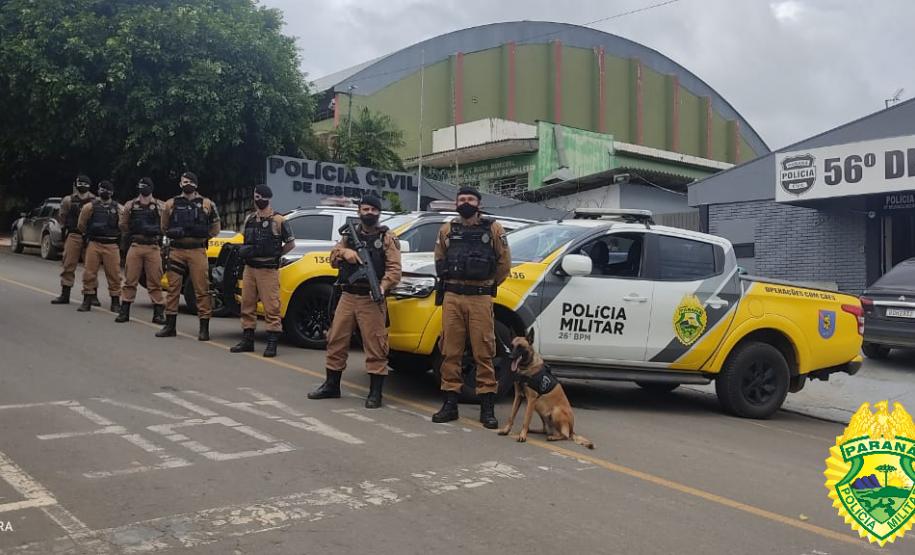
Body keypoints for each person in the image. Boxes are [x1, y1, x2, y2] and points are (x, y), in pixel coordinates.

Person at [307, 194, 401, 408]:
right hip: (348, 295)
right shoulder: (349, 236)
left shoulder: (387, 238)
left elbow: (395, 271)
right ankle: (332, 385)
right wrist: (345, 252)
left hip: (371, 298)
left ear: (379, 212)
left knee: (376, 345)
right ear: (359, 211)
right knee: (335, 339)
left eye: (373, 210)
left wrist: (382, 286)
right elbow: (332, 260)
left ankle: (375, 393)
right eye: (365, 209)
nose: (369, 213)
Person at [431, 186, 511, 428]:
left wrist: (486, 285)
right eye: (462, 199)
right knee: (450, 351)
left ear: (479, 203)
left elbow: (504, 264)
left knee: (483, 352)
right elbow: (439, 259)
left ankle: (487, 407)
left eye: (470, 199)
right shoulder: (447, 229)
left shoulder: (493, 228)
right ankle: (450, 404)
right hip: (453, 297)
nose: (465, 202)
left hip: (480, 298)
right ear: (456, 203)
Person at [230, 184, 295, 357]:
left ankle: (272, 342)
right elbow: (245, 240)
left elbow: (290, 244)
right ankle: (247, 340)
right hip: (250, 268)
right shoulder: (250, 219)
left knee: (271, 306)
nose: (258, 200)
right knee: (247, 303)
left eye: (261, 197)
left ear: (268, 198)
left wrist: (276, 255)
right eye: (256, 196)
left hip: (268, 269)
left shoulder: (279, 220)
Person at [155, 172, 220, 340]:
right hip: (177, 250)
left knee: (202, 289)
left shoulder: (207, 204)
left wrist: (202, 236)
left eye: (190, 181)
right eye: (184, 181)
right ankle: (170, 326)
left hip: (197, 251)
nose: (187, 184)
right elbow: (164, 227)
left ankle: (204, 328)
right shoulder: (171, 204)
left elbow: (215, 228)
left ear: (196, 184)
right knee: (173, 288)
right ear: (179, 184)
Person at [117, 177, 166, 324]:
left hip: (153, 246)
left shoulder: (159, 206)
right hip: (136, 245)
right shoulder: (130, 205)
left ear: (151, 188)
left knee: (155, 281)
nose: (143, 188)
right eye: (141, 186)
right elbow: (123, 225)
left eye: (146, 186)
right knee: (130, 279)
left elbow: (165, 226)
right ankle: (124, 311)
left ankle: (158, 313)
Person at [76, 180, 122, 312]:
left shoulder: (118, 208)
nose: (104, 192)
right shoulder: (89, 207)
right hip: (94, 243)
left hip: (111, 244)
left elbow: (124, 225)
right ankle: (87, 301)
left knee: (114, 274)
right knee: (89, 273)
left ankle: (115, 302)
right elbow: (81, 225)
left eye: (107, 190)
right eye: (102, 189)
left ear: (112, 192)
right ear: (98, 190)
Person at [51, 175, 95, 304]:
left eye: (84, 183)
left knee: (91, 266)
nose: (82, 186)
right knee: (68, 264)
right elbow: (62, 218)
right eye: (80, 183)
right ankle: (65, 294)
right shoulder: (68, 200)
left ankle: (92, 295)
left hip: (90, 237)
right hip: (73, 234)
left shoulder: (94, 200)